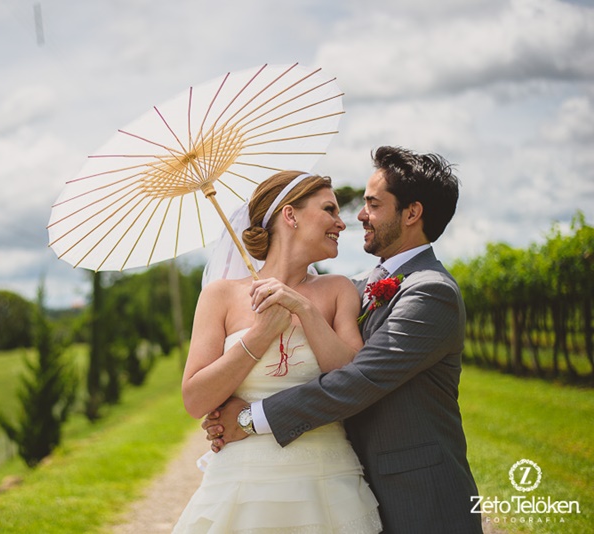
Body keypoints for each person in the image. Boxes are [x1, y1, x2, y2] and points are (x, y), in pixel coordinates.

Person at [203, 146, 483, 534]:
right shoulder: (355, 287)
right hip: (352, 481)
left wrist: (251, 418)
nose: (360, 215)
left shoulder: (431, 293)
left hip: (419, 495)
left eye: (372, 204)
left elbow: (358, 380)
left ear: (412, 213)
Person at [173, 171, 382, 533]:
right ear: (291, 215)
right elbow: (195, 399)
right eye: (329, 209)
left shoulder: (338, 290)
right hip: (241, 484)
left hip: (325, 479)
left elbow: (352, 377)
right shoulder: (219, 296)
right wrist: (260, 335)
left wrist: (303, 309)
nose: (341, 222)